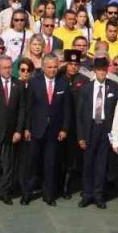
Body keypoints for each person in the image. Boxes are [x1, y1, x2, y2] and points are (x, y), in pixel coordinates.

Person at [25, 52, 72, 206]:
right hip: (36, 130)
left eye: (55, 67)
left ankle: (49, 195)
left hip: (54, 131)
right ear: (43, 67)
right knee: (32, 163)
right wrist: (27, 128)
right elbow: (28, 108)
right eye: (49, 67)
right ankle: (27, 193)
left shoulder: (63, 83)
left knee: (51, 164)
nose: (52, 70)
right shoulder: (34, 83)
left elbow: (67, 110)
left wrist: (64, 129)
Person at [77, 57, 118, 208]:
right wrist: (81, 136)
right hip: (90, 127)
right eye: (99, 70)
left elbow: (117, 111)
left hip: (105, 128)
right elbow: (80, 114)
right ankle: (87, 194)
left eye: (104, 70)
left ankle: (98, 194)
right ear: (95, 71)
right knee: (88, 162)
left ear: (107, 70)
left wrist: (114, 135)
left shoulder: (113, 87)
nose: (102, 72)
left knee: (102, 163)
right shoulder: (86, 88)